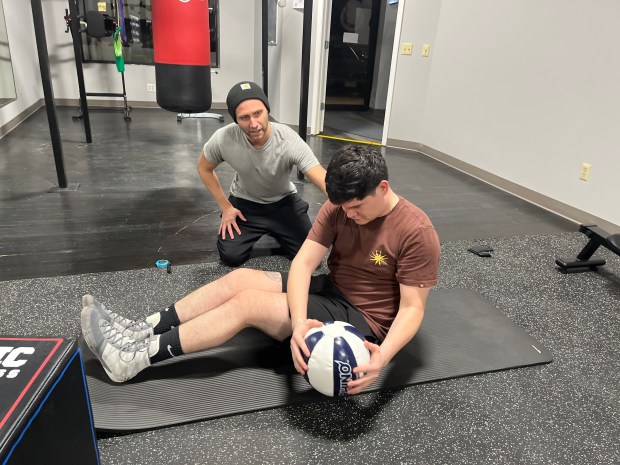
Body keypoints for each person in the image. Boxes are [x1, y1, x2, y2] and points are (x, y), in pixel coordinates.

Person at [81, 145, 440, 395]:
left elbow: (412, 308)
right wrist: (298, 321)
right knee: (240, 278)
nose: (350, 215)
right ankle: (141, 329)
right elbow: (302, 263)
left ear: (383, 188)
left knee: (249, 303)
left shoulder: (416, 231)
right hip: (332, 289)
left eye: (358, 207)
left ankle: (133, 358)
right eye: (343, 208)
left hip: (362, 318)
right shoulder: (339, 207)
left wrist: (384, 356)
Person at [197, 81, 327, 267]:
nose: (254, 124)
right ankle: (275, 230)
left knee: (312, 260)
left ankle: (282, 227)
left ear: (267, 110)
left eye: (258, 113)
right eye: (244, 117)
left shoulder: (288, 139)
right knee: (231, 257)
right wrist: (226, 207)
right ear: (236, 120)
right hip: (245, 205)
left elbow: (321, 177)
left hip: (284, 203)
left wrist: (348, 205)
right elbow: (204, 168)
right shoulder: (223, 138)